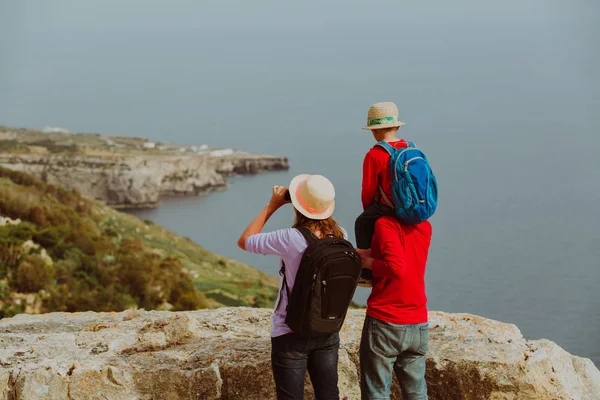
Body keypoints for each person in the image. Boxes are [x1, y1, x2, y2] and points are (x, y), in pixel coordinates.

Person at [237, 174, 348, 400]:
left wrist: (273, 204)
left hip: (290, 332)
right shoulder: (340, 235)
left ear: (298, 205)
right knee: (329, 395)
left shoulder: (290, 238)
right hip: (326, 329)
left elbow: (246, 240)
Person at [356, 216, 432, 400]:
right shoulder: (424, 226)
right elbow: (402, 251)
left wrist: (368, 263)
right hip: (418, 321)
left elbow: (396, 267)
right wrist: (373, 253)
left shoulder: (384, 224)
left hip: (385, 320)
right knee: (417, 393)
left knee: (377, 392)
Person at [354, 101, 409, 252]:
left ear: (373, 131)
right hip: (411, 203)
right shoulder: (410, 148)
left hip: (389, 208)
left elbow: (368, 192)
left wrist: (368, 212)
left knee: (361, 223)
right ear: (397, 127)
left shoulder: (374, 155)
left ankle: (366, 271)